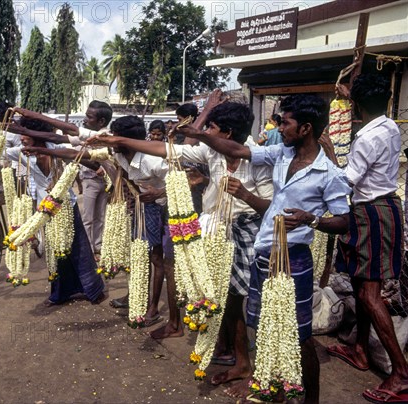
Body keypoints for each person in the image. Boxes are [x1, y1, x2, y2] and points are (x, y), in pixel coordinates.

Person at [177, 94, 351, 403]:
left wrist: (312, 220)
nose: (279, 127)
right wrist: (201, 133)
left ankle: (310, 398)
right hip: (263, 254)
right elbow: (238, 149)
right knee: (265, 325)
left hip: (293, 260)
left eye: (286, 122)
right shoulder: (281, 155)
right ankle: (269, 383)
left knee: (300, 336)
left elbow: (344, 221)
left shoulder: (330, 175)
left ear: (306, 128)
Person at [88, 100, 274, 386]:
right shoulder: (211, 148)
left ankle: (243, 361)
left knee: (239, 301)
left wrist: (246, 196)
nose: (207, 131)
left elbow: (271, 208)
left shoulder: (258, 157)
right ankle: (230, 353)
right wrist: (118, 140)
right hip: (213, 229)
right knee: (217, 296)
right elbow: (169, 149)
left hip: (246, 231)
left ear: (226, 133)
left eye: (211, 127)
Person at [24, 116, 182, 339]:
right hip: (141, 205)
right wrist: (44, 151)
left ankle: (154, 308)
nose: (109, 140)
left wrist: (159, 193)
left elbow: (185, 179)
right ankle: (136, 296)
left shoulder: (153, 160)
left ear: (125, 140)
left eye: (113, 137)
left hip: (164, 208)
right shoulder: (116, 153)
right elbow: (77, 154)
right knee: (139, 254)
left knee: (157, 258)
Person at [0, 117, 107, 306]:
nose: (22, 139)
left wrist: (98, 167)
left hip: (66, 205)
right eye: (20, 135)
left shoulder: (55, 149)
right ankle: (61, 292)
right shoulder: (21, 152)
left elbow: (80, 158)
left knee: (78, 249)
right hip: (45, 209)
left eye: (25, 134)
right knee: (55, 250)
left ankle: (93, 289)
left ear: (36, 134)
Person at [322, 73, 408, 403]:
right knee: (360, 284)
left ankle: (400, 372)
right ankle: (360, 349)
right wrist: (348, 93)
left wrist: (329, 151)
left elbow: (347, 181)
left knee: (370, 293)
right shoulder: (387, 126)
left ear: (357, 105)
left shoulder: (365, 139)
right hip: (381, 207)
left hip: (371, 212)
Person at [11, 101, 113, 257]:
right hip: (49, 206)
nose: (84, 120)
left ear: (101, 122)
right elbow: (58, 138)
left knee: (90, 226)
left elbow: (68, 146)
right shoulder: (23, 152)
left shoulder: (105, 137)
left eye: (88, 116)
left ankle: (94, 248)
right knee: (61, 243)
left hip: (76, 201)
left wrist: (32, 119)